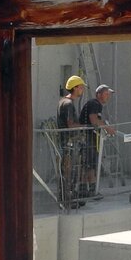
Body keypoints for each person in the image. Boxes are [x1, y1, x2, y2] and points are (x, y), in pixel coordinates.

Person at [79, 84, 117, 197]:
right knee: (89, 164)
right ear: (98, 94)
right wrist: (107, 128)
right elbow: (94, 120)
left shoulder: (95, 105)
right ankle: (89, 190)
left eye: (109, 94)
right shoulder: (95, 104)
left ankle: (85, 189)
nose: (108, 97)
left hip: (89, 137)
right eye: (106, 94)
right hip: (87, 137)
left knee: (89, 164)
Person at [56, 75, 86, 208]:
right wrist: (84, 127)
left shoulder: (63, 101)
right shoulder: (68, 104)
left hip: (67, 142)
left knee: (68, 172)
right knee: (69, 172)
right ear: (74, 88)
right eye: (80, 87)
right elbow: (70, 124)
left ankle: (68, 198)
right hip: (67, 143)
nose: (82, 89)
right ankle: (67, 200)